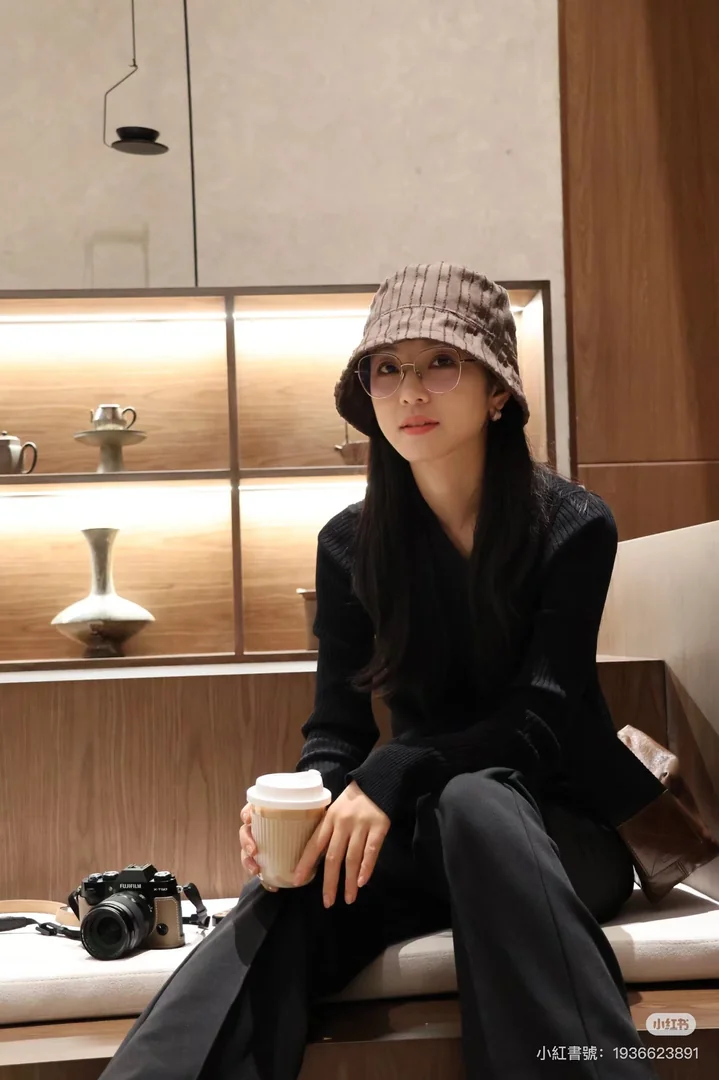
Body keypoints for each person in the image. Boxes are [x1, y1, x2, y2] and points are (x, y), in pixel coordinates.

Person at [100, 264, 666, 1079]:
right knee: (289, 889)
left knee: (477, 799)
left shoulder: (573, 526)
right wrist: (297, 809)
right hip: (427, 838)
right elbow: (336, 728)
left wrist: (394, 770)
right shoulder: (348, 544)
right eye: (387, 368)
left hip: (558, 836)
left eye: (441, 362)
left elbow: (539, 720)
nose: (410, 390)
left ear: (497, 391)